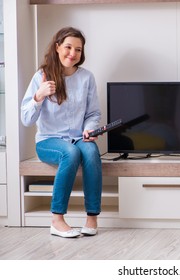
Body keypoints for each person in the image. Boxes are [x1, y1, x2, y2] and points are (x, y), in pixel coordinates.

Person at [21, 27, 102, 238]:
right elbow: (26, 119)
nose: (72, 53)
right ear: (57, 47)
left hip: (78, 138)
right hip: (49, 141)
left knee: (91, 152)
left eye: (78, 49)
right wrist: (38, 96)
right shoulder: (42, 76)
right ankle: (57, 219)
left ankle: (92, 217)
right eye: (68, 47)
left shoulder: (87, 78)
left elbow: (93, 113)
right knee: (71, 153)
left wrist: (88, 130)